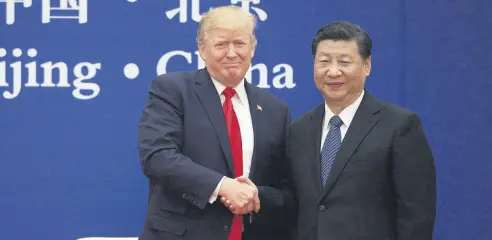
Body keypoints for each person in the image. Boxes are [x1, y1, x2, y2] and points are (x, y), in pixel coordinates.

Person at [136, 5, 295, 240]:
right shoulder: (172, 90)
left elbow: (287, 188)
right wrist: (222, 186)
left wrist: (255, 196)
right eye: (221, 44)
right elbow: (157, 156)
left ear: (252, 48)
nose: (231, 53)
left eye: (239, 43)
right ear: (202, 49)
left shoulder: (275, 110)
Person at [287, 21, 437, 240]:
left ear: (367, 65)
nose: (333, 71)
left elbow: (416, 215)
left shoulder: (399, 126)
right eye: (324, 62)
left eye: (344, 62)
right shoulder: (299, 129)